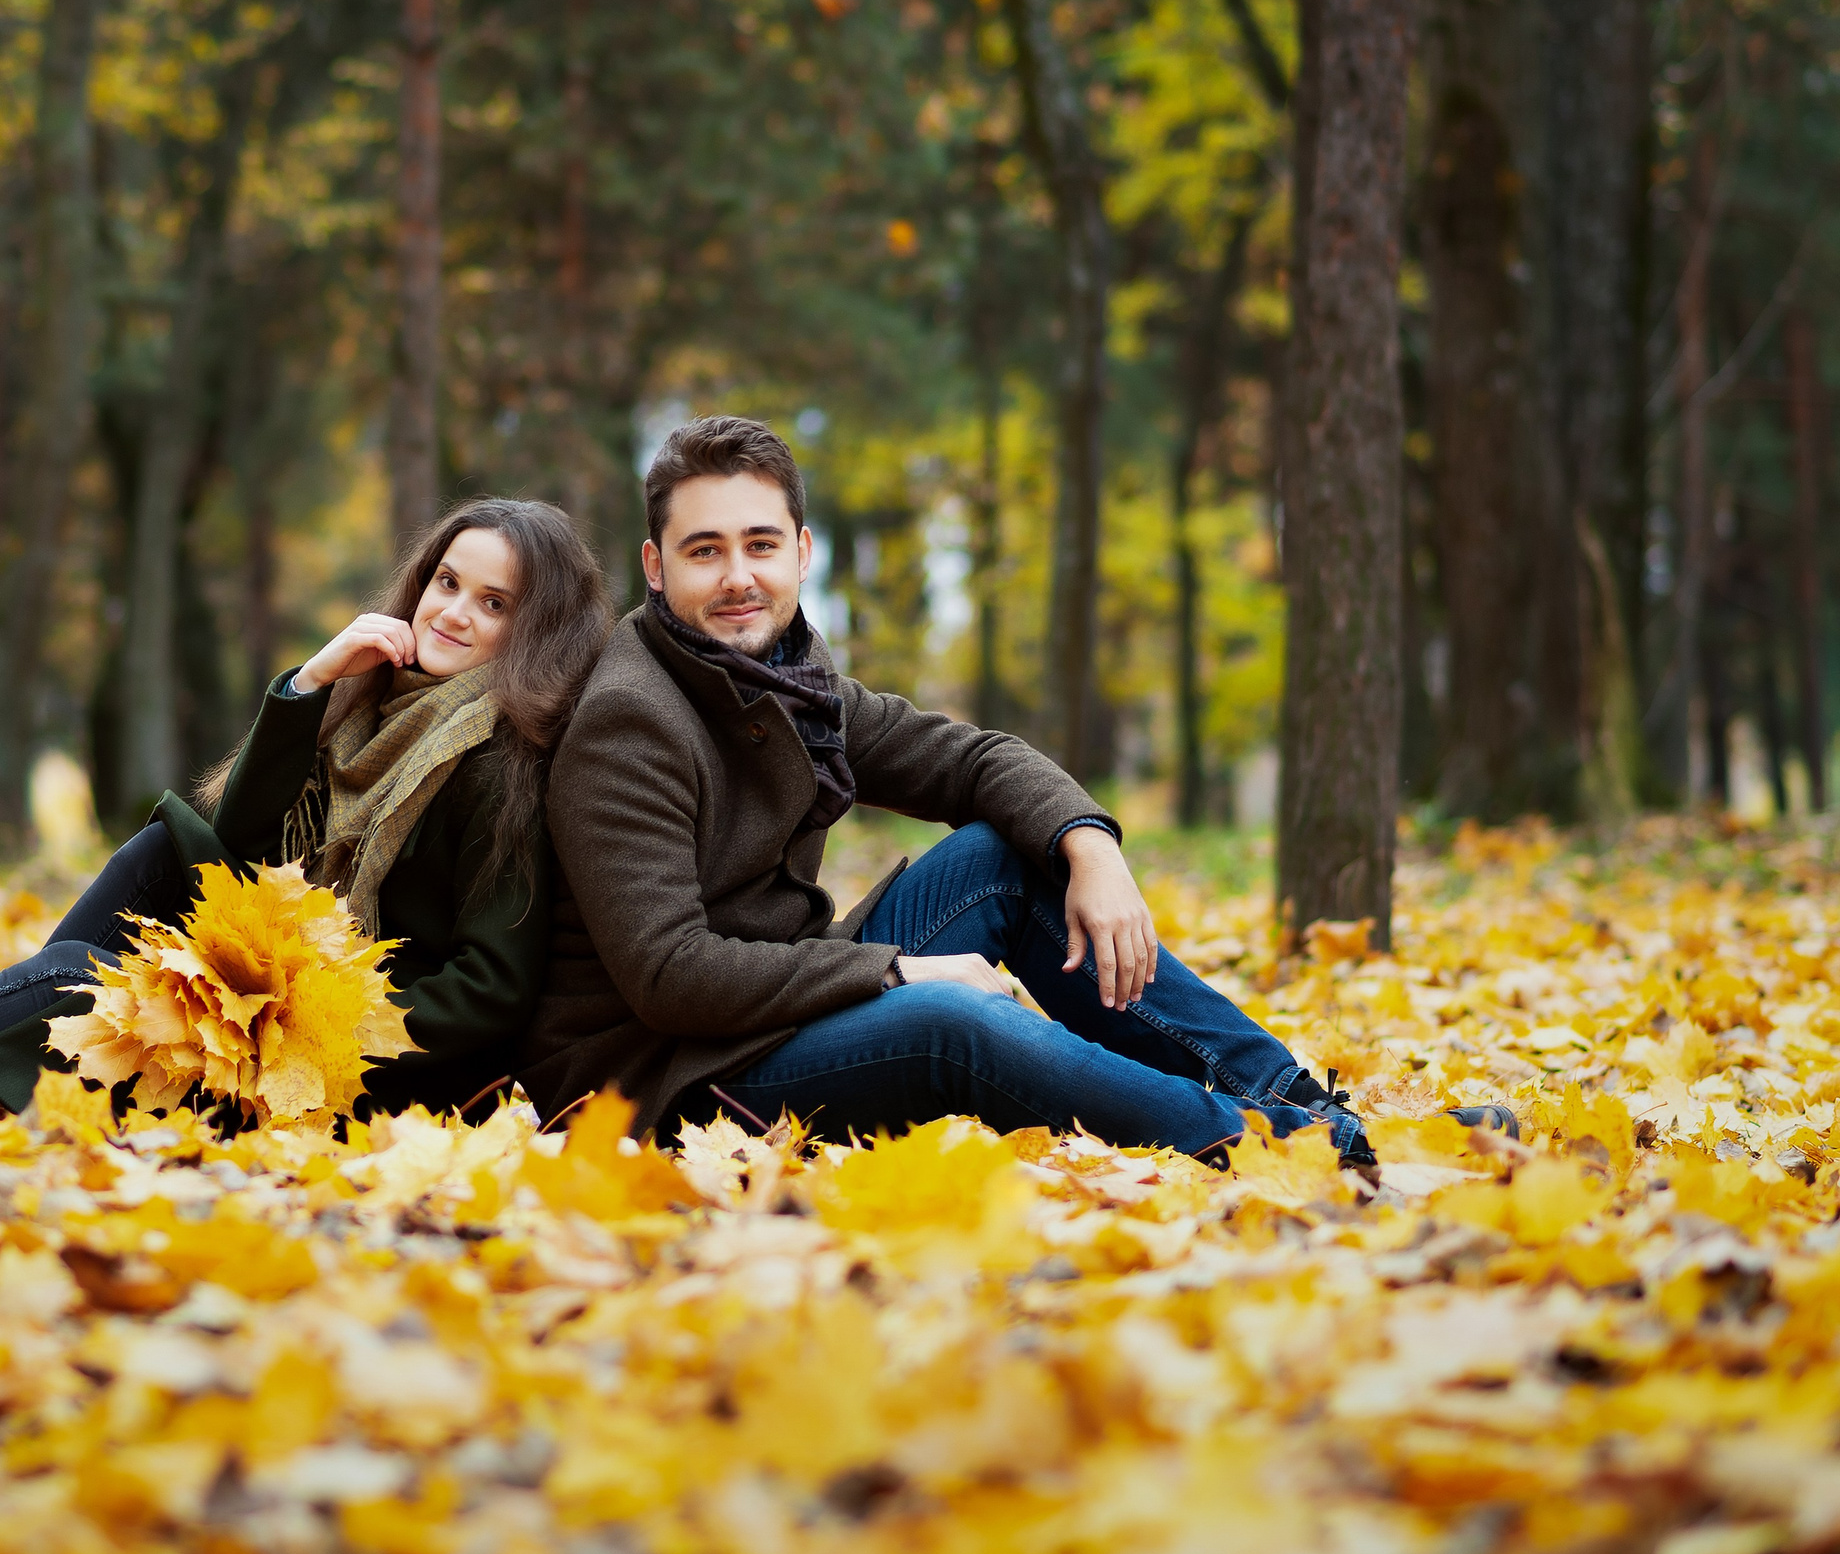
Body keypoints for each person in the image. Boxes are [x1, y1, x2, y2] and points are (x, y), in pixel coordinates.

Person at [519, 416, 1511, 1167]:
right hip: (670, 1081)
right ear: (655, 567)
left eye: (759, 544)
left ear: (801, 552)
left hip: (771, 1004)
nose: (738, 576)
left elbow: (970, 760)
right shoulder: (633, 717)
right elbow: (670, 974)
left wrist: (1088, 842)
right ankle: (1291, 1151)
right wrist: (903, 974)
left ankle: (1310, 1108)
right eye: (705, 551)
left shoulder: (788, 679)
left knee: (1005, 856)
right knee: (960, 1021)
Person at [0, 496, 610, 1125]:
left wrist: (306, 1026)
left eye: (493, 604)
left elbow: (488, 993)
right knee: (157, 857)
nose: (453, 613)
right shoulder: (376, 712)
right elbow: (255, 840)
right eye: (446, 582)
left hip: (348, 1061)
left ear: (535, 632)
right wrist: (308, 682)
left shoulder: (500, 765)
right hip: (276, 987)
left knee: (76, 979)